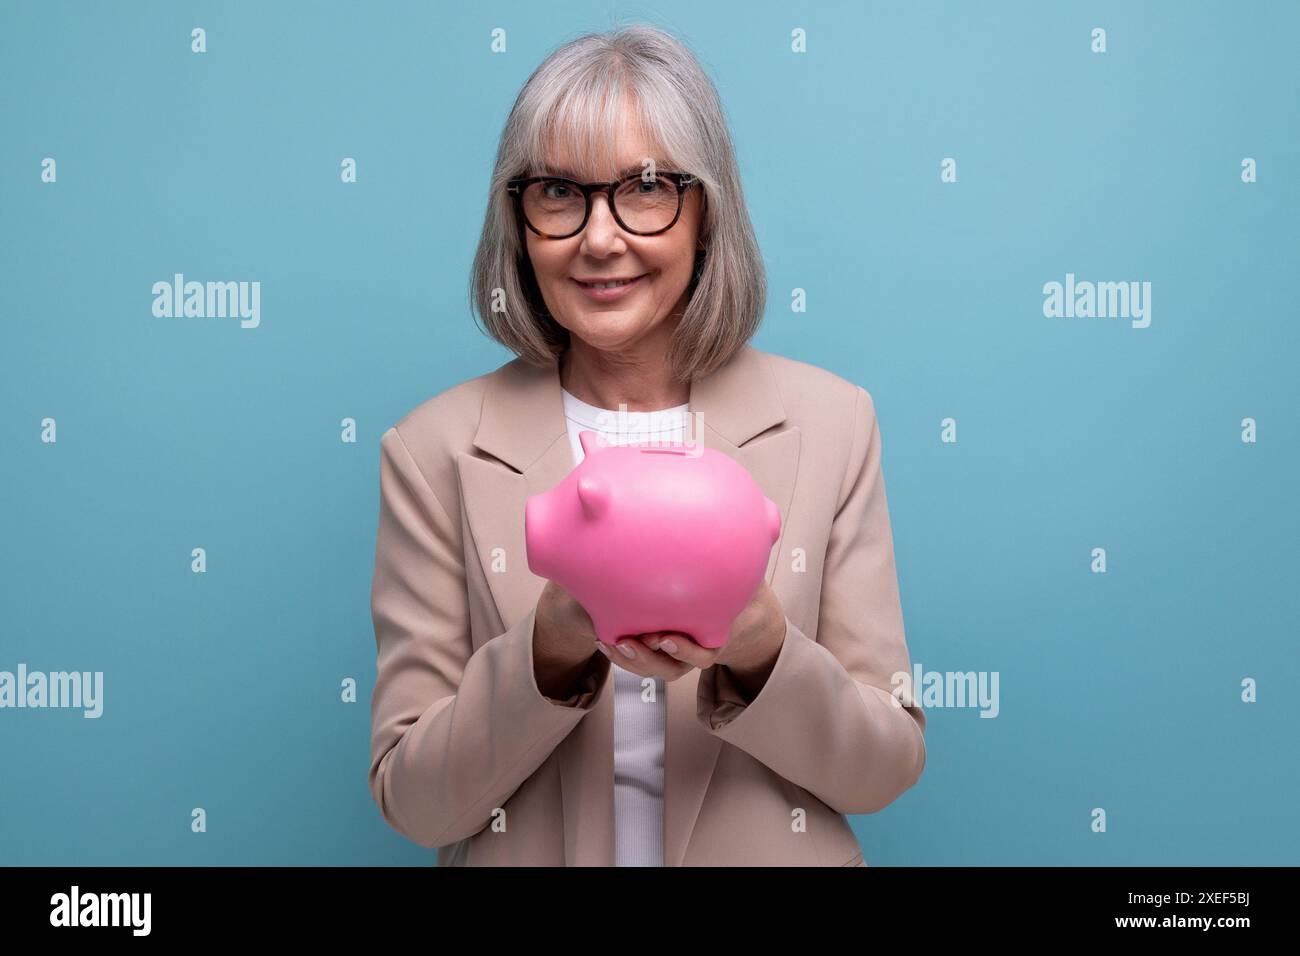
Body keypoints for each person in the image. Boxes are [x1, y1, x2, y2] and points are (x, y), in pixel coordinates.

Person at [367, 24, 926, 866]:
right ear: (518, 222)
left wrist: (762, 647)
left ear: (706, 216)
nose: (599, 239)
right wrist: (548, 647)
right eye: (559, 191)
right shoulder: (432, 450)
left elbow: (884, 770)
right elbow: (416, 805)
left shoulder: (833, 424)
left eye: (648, 187)